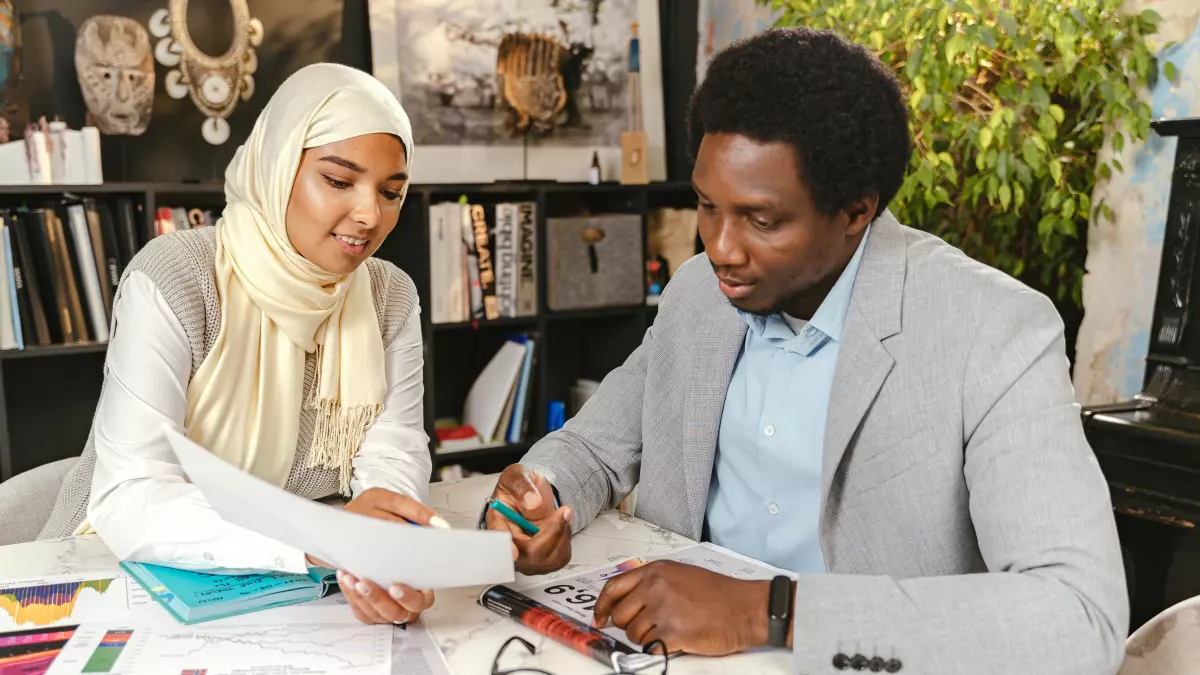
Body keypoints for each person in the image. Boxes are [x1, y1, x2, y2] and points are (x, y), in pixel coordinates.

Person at [484, 27, 1128, 674]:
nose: (720, 247)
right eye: (708, 206)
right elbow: (594, 446)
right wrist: (540, 494)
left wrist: (766, 610)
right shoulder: (697, 297)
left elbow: (1078, 617)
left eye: (763, 220)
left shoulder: (992, 330)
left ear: (855, 211)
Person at [38, 63, 438, 626]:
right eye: (339, 181)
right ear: (278, 167)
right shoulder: (178, 275)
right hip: (117, 573)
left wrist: (385, 542)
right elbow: (131, 495)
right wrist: (326, 534)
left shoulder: (390, 294)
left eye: (392, 191)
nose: (371, 214)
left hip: (286, 586)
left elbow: (394, 451)